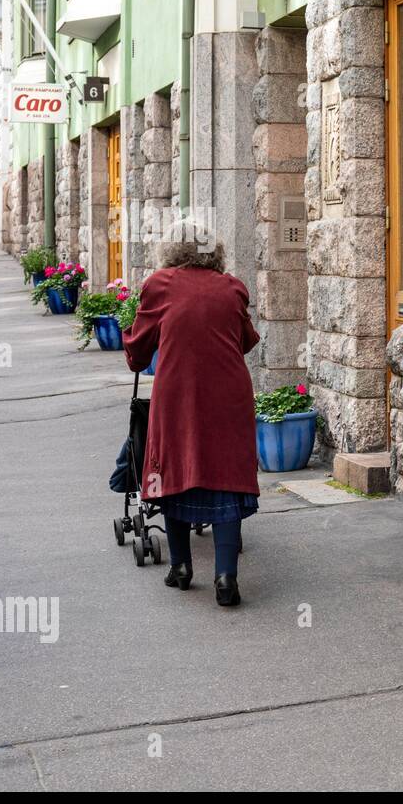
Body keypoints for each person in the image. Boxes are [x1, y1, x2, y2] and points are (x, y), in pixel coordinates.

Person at [123, 221, 260, 606]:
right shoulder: (232, 287)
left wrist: (135, 345)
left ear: (172, 253)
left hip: (178, 395)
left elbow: (138, 349)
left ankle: (181, 567)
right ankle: (225, 576)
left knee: (174, 468)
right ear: (212, 252)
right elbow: (246, 341)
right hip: (229, 395)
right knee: (227, 474)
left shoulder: (159, 285)